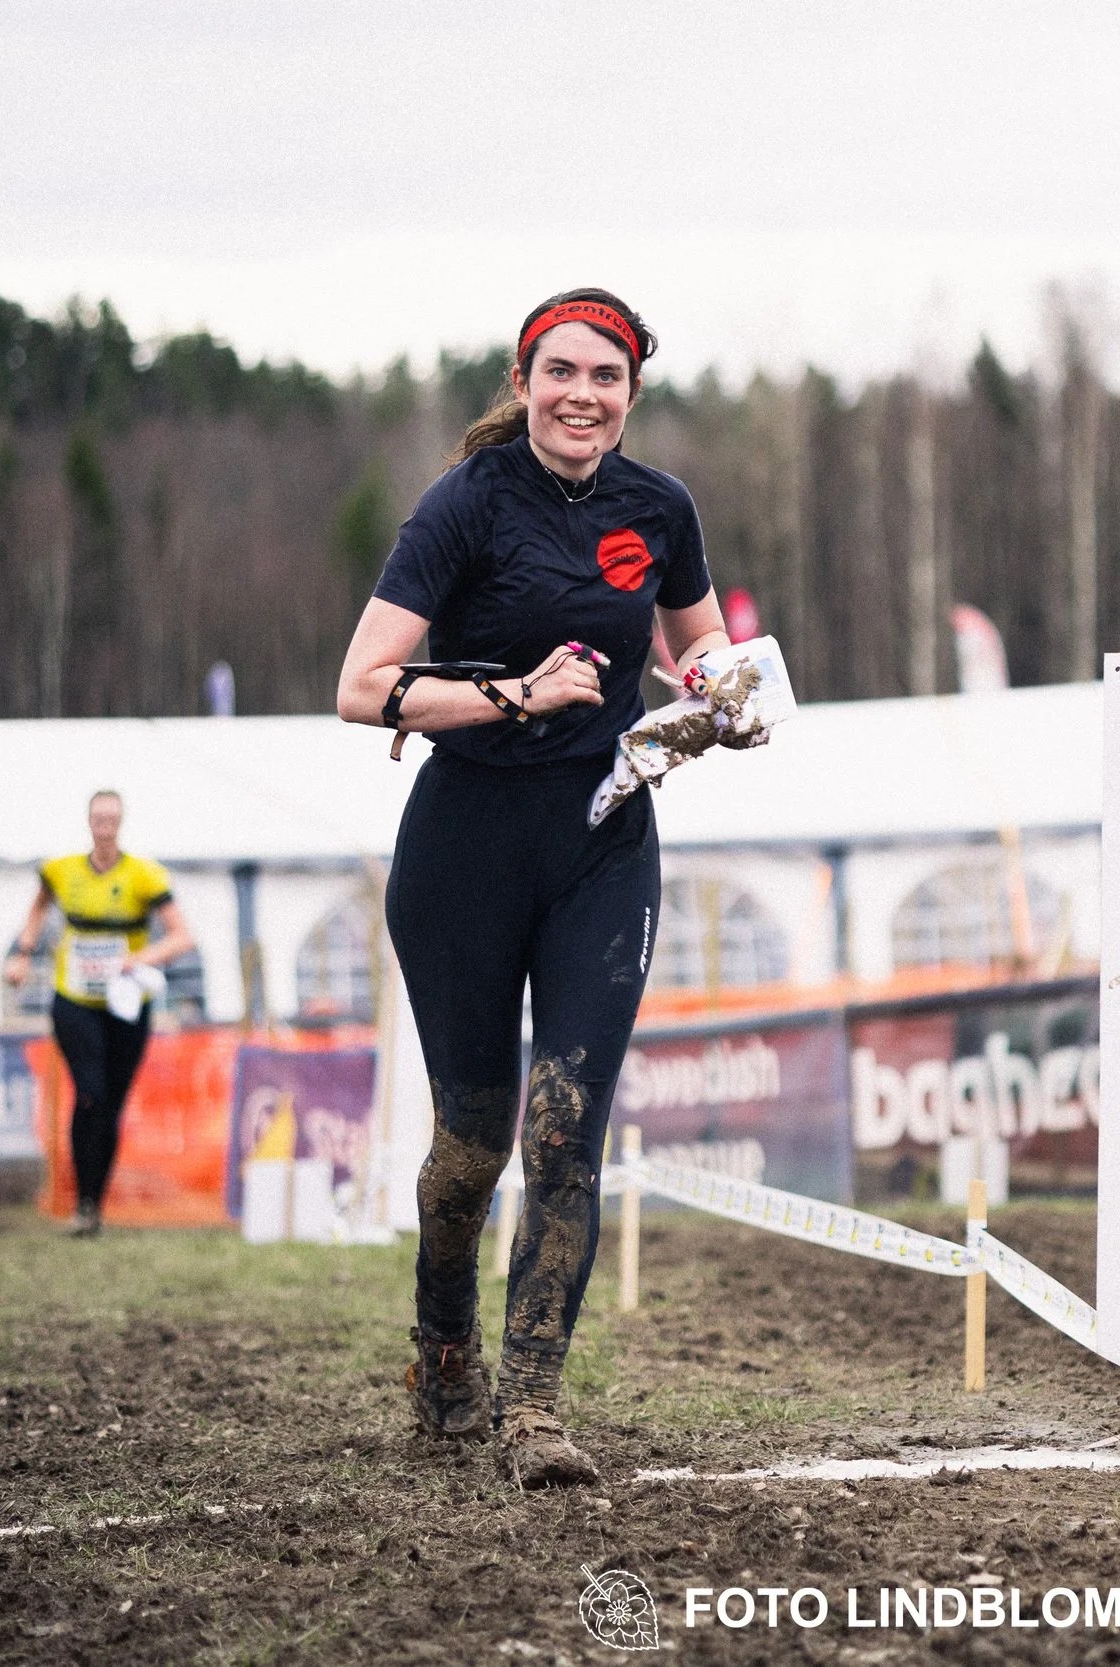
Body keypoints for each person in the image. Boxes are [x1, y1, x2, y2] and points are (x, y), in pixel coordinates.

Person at [335, 288, 730, 1488]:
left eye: (605, 377)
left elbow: (695, 640)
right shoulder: (465, 505)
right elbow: (362, 686)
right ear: (524, 380)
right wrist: (516, 695)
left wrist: (723, 690)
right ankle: (443, 1348)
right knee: (470, 1149)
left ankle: (536, 1411)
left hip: (602, 843)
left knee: (566, 1130)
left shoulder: (658, 508)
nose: (581, 395)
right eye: (561, 371)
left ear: (631, 394)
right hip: (464, 851)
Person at [3, 790, 195, 1238]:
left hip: (126, 1005)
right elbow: (38, 907)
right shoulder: (62, 870)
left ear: (120, 823)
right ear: (89, 822)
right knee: (88, 1092)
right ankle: (82, 1202)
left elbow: (183, 936)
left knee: (110, 1104)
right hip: (74, 1001)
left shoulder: (144, 875)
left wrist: (142, 958)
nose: (104, 827)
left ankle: (93, 1205)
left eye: (112, 820)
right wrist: (22, 953)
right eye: (98, 819)